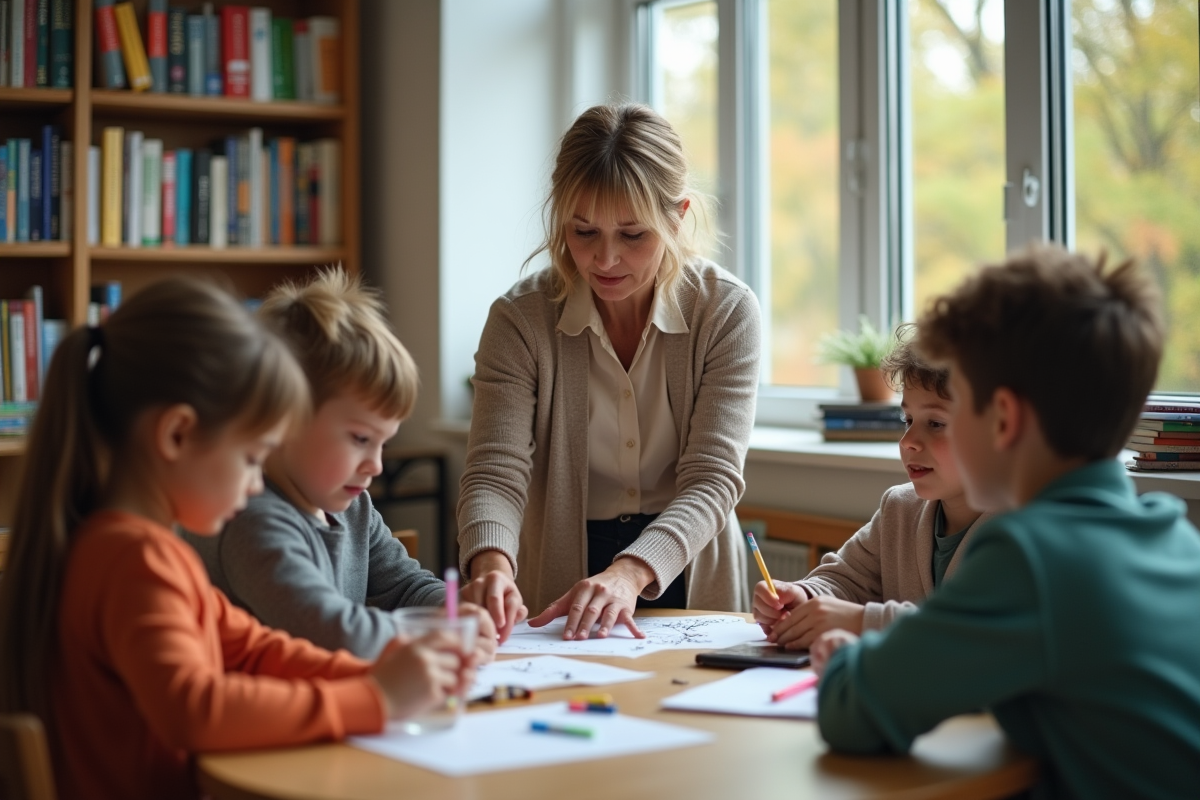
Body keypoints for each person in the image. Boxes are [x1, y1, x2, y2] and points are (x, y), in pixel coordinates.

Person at [0, 278, 476, 800]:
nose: (255, 484)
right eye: (251, 458)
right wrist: (375, 696)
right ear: (177, 435)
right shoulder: (132, 559)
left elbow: (256, 650)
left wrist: (379, 671)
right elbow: (194, 708)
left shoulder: (144, 550)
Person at [810, 246, 1200, 799]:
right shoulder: (1173, 535)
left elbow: (854, 714)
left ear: (1004, 420)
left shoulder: (1030, 557)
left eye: (957, 408)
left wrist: (846, 663)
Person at [458, 102, 761, 642]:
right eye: (583, 231)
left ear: (676, 216)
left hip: (684, 559)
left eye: (632, 235)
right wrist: (492, 566)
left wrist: (628, 572)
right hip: (561, 570)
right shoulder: (519, 320)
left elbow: (713, 478)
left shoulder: (727, 311)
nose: (604, 260)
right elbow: (495, 472)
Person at [183, 268, 501, 657]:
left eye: (383, 443)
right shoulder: (250, 519)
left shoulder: (351, 505)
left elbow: (404, 587)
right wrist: (432, 633)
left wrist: (459, 610)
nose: (376, 465)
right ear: (283, 420)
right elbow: (330, 631)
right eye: (360, 439)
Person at [752, 326, 992, 649]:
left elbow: (974, 629)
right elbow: (842, 579)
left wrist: (857, 621)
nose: (908, 442)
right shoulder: (899, 509)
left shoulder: (1023, 528)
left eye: (935, 424)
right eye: (907, 420)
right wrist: (804, 596)